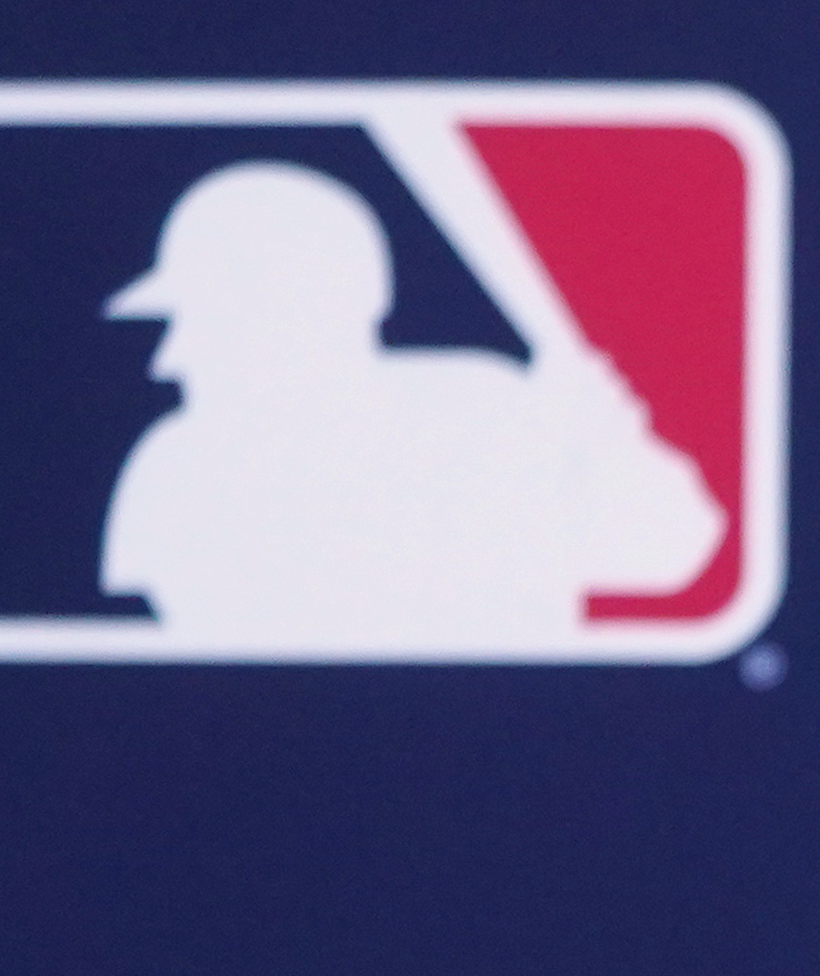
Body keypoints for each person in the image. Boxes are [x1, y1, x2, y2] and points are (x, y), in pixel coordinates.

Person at [98, 160, 721, 652]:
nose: (168, 360)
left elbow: (671, 551)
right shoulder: (180, 470)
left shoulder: (488, 408)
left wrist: (605, 448)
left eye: (206, 322)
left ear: (298, 317)